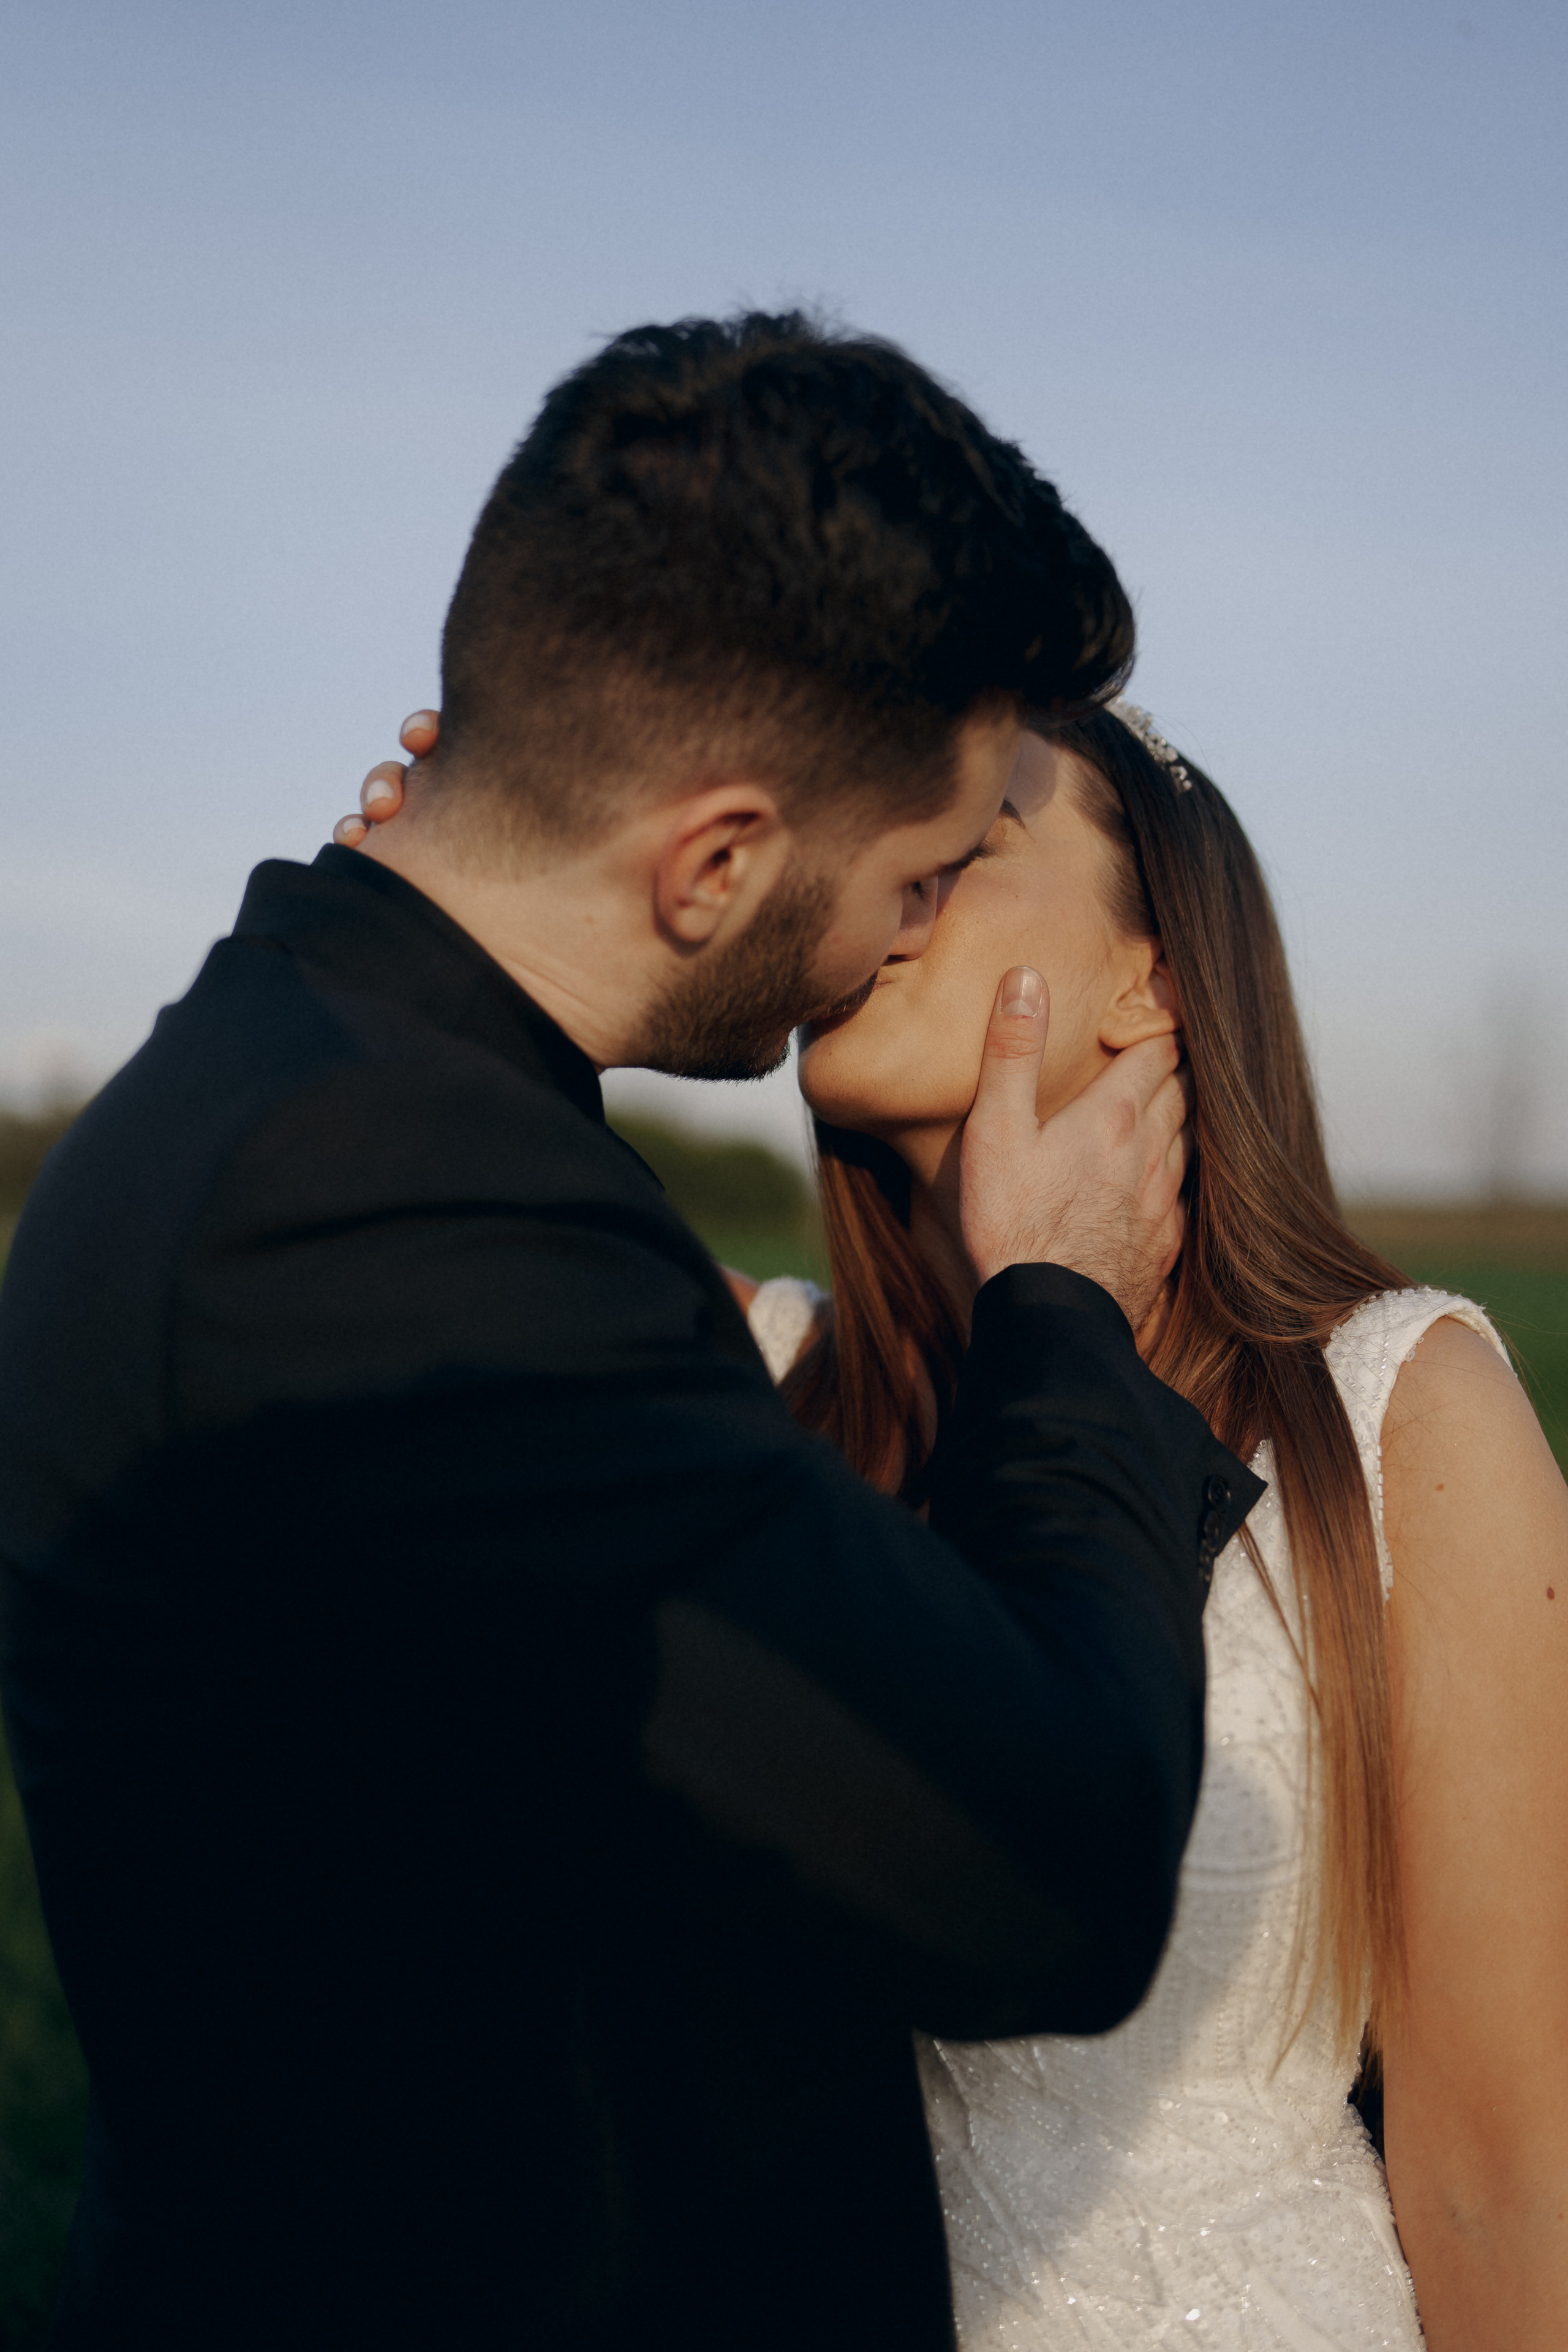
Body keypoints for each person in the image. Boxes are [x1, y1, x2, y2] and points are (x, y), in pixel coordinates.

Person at [0, 315, 1259, 2351]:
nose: (915, 936)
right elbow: (1055, 1869)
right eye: (922, 875)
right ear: (720, 863)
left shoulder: (338, 1102)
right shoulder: (381, 1213)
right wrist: (1058, 1317)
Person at [349, 698, 1568, 2350]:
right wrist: (466, 927)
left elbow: (1503, 2178)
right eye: (876, 843)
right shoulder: (750, 1378)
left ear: (1155, 978)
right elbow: (408, 1237)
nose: (890, 884)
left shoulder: (1396, 1413)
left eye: (974, 837)